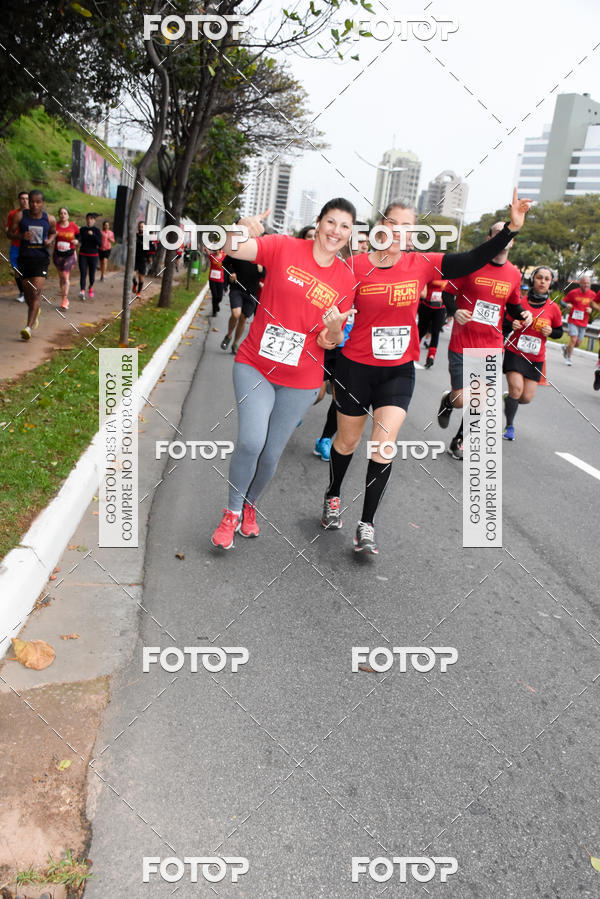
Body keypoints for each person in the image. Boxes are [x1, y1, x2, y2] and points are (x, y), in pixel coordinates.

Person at [320, 190, 531, 555]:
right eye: (393, 224)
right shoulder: (354, 267)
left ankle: (366, 524)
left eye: (407, 228)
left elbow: (470, 260)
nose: (399, 233)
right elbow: (330, 320)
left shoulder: (421, 264)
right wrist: (332, 343)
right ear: (380, 226)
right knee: (347, 443)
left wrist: (510, 229)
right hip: (356, 367)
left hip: (398, 372)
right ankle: (333, 493)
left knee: (383, 445)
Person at [211, 199, 357, 550]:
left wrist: (333, 333)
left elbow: (331, 339)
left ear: (350, 234)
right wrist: (240, 228)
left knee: (271, 454)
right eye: (331, 222)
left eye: (345, 226)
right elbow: (231, 247)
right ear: (319, 222)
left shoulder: (345, 279)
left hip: (302, 377)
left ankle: (250, 505)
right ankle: (231, 512)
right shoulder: (284, 248)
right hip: (256, 364)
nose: (335, 231)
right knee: (251, 442)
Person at [437, 220, 532, 461]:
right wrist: (455, 311)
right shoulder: (471, 265)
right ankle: (448, 401)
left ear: (512, 240)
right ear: (491, 238)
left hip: (491, 345)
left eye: (508, 233)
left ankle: (460, 440)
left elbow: (513, 303)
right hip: (462, 342)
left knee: (482, 398)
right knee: (463, 398)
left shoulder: (513, 273)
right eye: (499, 233)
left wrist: (524, 314)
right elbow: (447, 294)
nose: (504, 237)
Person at [313, 221, 368, 460]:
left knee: (340, 398)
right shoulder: (334, 267)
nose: (364, 247)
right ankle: (290, 411)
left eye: (368, 243)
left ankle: (325, 439)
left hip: (350, 348)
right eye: (359, 242)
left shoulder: (371, 273)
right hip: (325, 341)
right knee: (316, 394)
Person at [502, 266, 563, 439]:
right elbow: (503, 324)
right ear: (533, 280)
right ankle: (509, 427)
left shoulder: (554, 308)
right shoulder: (519, 303)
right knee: (516, 389)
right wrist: (511, 325)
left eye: (547, 279)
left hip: (536, 358)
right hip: (515, 352)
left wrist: (551, 332)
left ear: (550, 283)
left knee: (526, 397)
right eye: (539, 278)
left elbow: (559, 332)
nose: (543, 281)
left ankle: (509, 401)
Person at [8, 189, 56, 340]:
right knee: (29, 295)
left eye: (38, 202)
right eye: (32, 202)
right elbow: (9, 233)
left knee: (35, 293)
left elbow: (53, 232)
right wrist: (21, 236)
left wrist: (50, 240)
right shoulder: (20, 216)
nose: (34, 205)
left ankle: (28, 327)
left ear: (43, 203)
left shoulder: (49, 219)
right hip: (24, 259)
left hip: (41, 260)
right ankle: (35, 312)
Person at [219, 256, 262, 354]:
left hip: (251, 293)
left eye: (255, 238)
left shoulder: (262, 256)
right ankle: (229, 335)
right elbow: (225, 263)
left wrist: (261, 270)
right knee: (236, 314)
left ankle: (235, 343)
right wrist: (232, 272)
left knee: (243, 319)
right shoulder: (239, 250)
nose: (253, 239)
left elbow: (266, 273)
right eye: (251, 238)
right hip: (237, 289)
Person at [560, 274, 600, 365]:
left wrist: (591, 309)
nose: (586, 285)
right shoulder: (573, 292)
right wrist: (567, 305)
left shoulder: (592, 294)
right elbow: (563, 301)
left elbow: (593, 305)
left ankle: (566, 348)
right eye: (584, 283)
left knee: (578, 343)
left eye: (588, 283)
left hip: (584, 321)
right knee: (573, 339)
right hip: (573, 320)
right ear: (580, 283)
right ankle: (569, 359)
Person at [417, 278, 448, 369]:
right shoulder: (431, 271)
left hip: (440, 308)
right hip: (427, 306)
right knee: (421, 331)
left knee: (435, 332)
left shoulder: (450, 274)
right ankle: (412, 353)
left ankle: (431, 357)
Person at [53, 207, 79, 309]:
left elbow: (79, 236)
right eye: (61, 213)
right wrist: (53, 237)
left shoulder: (73, 226)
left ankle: (64, 300)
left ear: (68, 215)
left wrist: (77, 241)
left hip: (70, 254)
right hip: (58, 254)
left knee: (64, 275)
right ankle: (65, 298)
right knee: (61, 277)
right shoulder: (55, 226)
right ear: (59, 215)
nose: (63, 215)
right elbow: (50, 236)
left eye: (65, 213)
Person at [5, 190, 29, 302]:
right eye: (22, 198)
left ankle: (29, 291)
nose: (25, 201)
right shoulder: (12, 214)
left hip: (29, 247)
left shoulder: (33, 213)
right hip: (15, 245)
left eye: (27, 198)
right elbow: (7, 229)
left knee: (29, 270)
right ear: (19, 200)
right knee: (17, 270)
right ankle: (22, 292)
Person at [78, 212, 102, 299]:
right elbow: (79, 239)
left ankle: (91, 286)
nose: (89, 220)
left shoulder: (97, 230)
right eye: (88, 218)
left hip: (93, 255)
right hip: (83, 254)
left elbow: (100, 244)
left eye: (91, 219)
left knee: (92, 274)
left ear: (94, 220)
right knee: (83, 273)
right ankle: (82, 291)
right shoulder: (82, 229)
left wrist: (94, 235)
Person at [133, 221, 149, 297]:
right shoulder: (135, 236)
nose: (141, 228)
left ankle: (138, 292)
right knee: (133, 275)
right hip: (134, 258)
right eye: (140, 226)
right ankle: (135, 283)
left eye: (142, 227)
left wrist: (149, 258)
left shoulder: (146, 238)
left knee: (141, 277)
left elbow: (148, 250)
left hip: (142, 259)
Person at [208, 249, 226, 316]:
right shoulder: (211, 256)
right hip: (212, 279)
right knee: (214, 296)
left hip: (220, 279)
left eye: (218, 250)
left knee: (220, 297)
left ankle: (217, 304)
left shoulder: (224, 256)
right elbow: (206, 250)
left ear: (220, 250)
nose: (216, 251)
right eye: (215, 250)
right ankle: (214, 311)